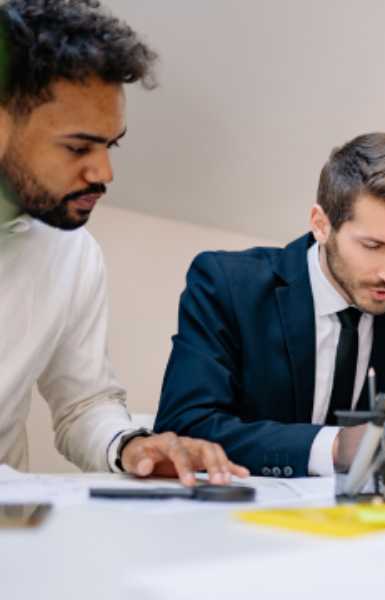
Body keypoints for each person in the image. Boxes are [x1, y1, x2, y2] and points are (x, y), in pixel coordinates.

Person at [0, 0, 247, 484]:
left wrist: (132, 444)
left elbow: (84, 403)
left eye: (110, 146)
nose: (104, 173)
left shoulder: (72, 253)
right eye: (78, 147)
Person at [155, 132, 385, 481]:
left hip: (366, 527)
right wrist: (334, 446)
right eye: (373, 246)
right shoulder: (228, 285)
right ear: (321, 225)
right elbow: (184, 426)